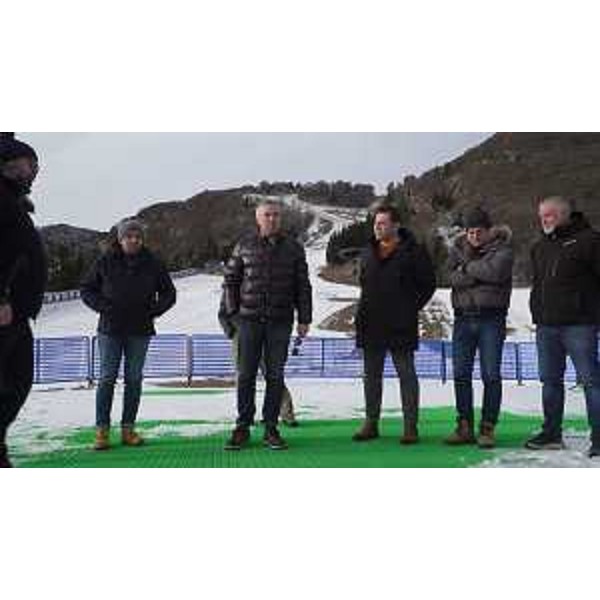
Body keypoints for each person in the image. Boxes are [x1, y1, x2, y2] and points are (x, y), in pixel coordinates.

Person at [221, 199, 312, 451]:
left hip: (280, 322)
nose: (272, 219)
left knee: (275, 375)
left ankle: (271, 427)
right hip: (248, 322)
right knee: (245, 375)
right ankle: (242, 426)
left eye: (276, 215)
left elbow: (303, 286)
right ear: (258, 218)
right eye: (267, 215)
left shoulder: (294, 248)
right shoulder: (244, 245)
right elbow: (230, 281)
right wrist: (233, 315)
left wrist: (305, 318)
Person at [81, 219, 177, 451]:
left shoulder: (153, 263)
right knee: (107, 378)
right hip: (110, 330)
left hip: (139, 330)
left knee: (134, 379)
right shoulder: (105, 261)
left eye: (138, 237)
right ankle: (102, 431)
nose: (134, 240)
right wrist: (104, 307)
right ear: (120, 239)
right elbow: (87, 289)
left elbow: (169, 293)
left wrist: (153, 310)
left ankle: (128, 429)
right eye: (129, 236)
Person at [353, 203, 436, 444]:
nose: (377, 227)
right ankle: (371, 423)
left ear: (396, 225)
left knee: (406, 375)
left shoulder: (414, 251)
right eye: (376, 223)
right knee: (371, 376)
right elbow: (364, 282)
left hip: (401, 323)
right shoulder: (368, 251)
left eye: (382, 223)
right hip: (370, 322)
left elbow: (428, 284)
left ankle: (410, 427)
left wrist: (409, 307)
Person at [525, 197, 600, 458]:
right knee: (550, 381)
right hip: (546, 326)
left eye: (549, 215)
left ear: (565, 214)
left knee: (591, 382)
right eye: (541, 215)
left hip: (580, 324)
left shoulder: (590, 241)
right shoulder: (540, 246)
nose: (543, 220)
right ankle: (551, 434)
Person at [444, 207, 514, 449]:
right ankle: (464, 426)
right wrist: (475, 273)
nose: (474, 236)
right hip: (462, 319)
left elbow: (495, 273)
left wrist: (465, 268)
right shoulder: (456, 249)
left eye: (479, 231)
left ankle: (487, 428)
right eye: (470, 231)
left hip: (491, 319)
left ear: (489, 230)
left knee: (491, 375)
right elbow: (449, 277)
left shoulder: (503, 250)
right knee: (460, 374)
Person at [0, 133, 47, 468]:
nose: (26, 172)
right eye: (19, 166)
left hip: (18, 311)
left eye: (30, 166)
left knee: (17, 382)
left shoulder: (13, 200)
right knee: (10, 382)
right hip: (5, 309)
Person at [219, 294, 299, 427]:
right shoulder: (233, 285)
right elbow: (224, 308)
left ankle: (286, 413)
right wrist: (231, 331)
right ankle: (245, 417)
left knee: (273, 374)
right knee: (244, 376)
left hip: (266, 330)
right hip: (241, 332)